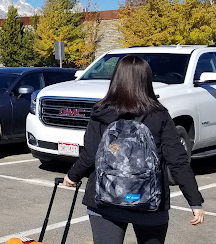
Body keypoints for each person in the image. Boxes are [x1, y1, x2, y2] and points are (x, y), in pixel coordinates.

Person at [63, 55, 204, 244]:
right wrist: (194, 201)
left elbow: (90, 155)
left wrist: (72, 176)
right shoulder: (159, 115)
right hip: (150, 202)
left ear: (116, 79)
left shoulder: (101, 112)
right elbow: (177, 161)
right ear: (146, 80)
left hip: (106, 200)